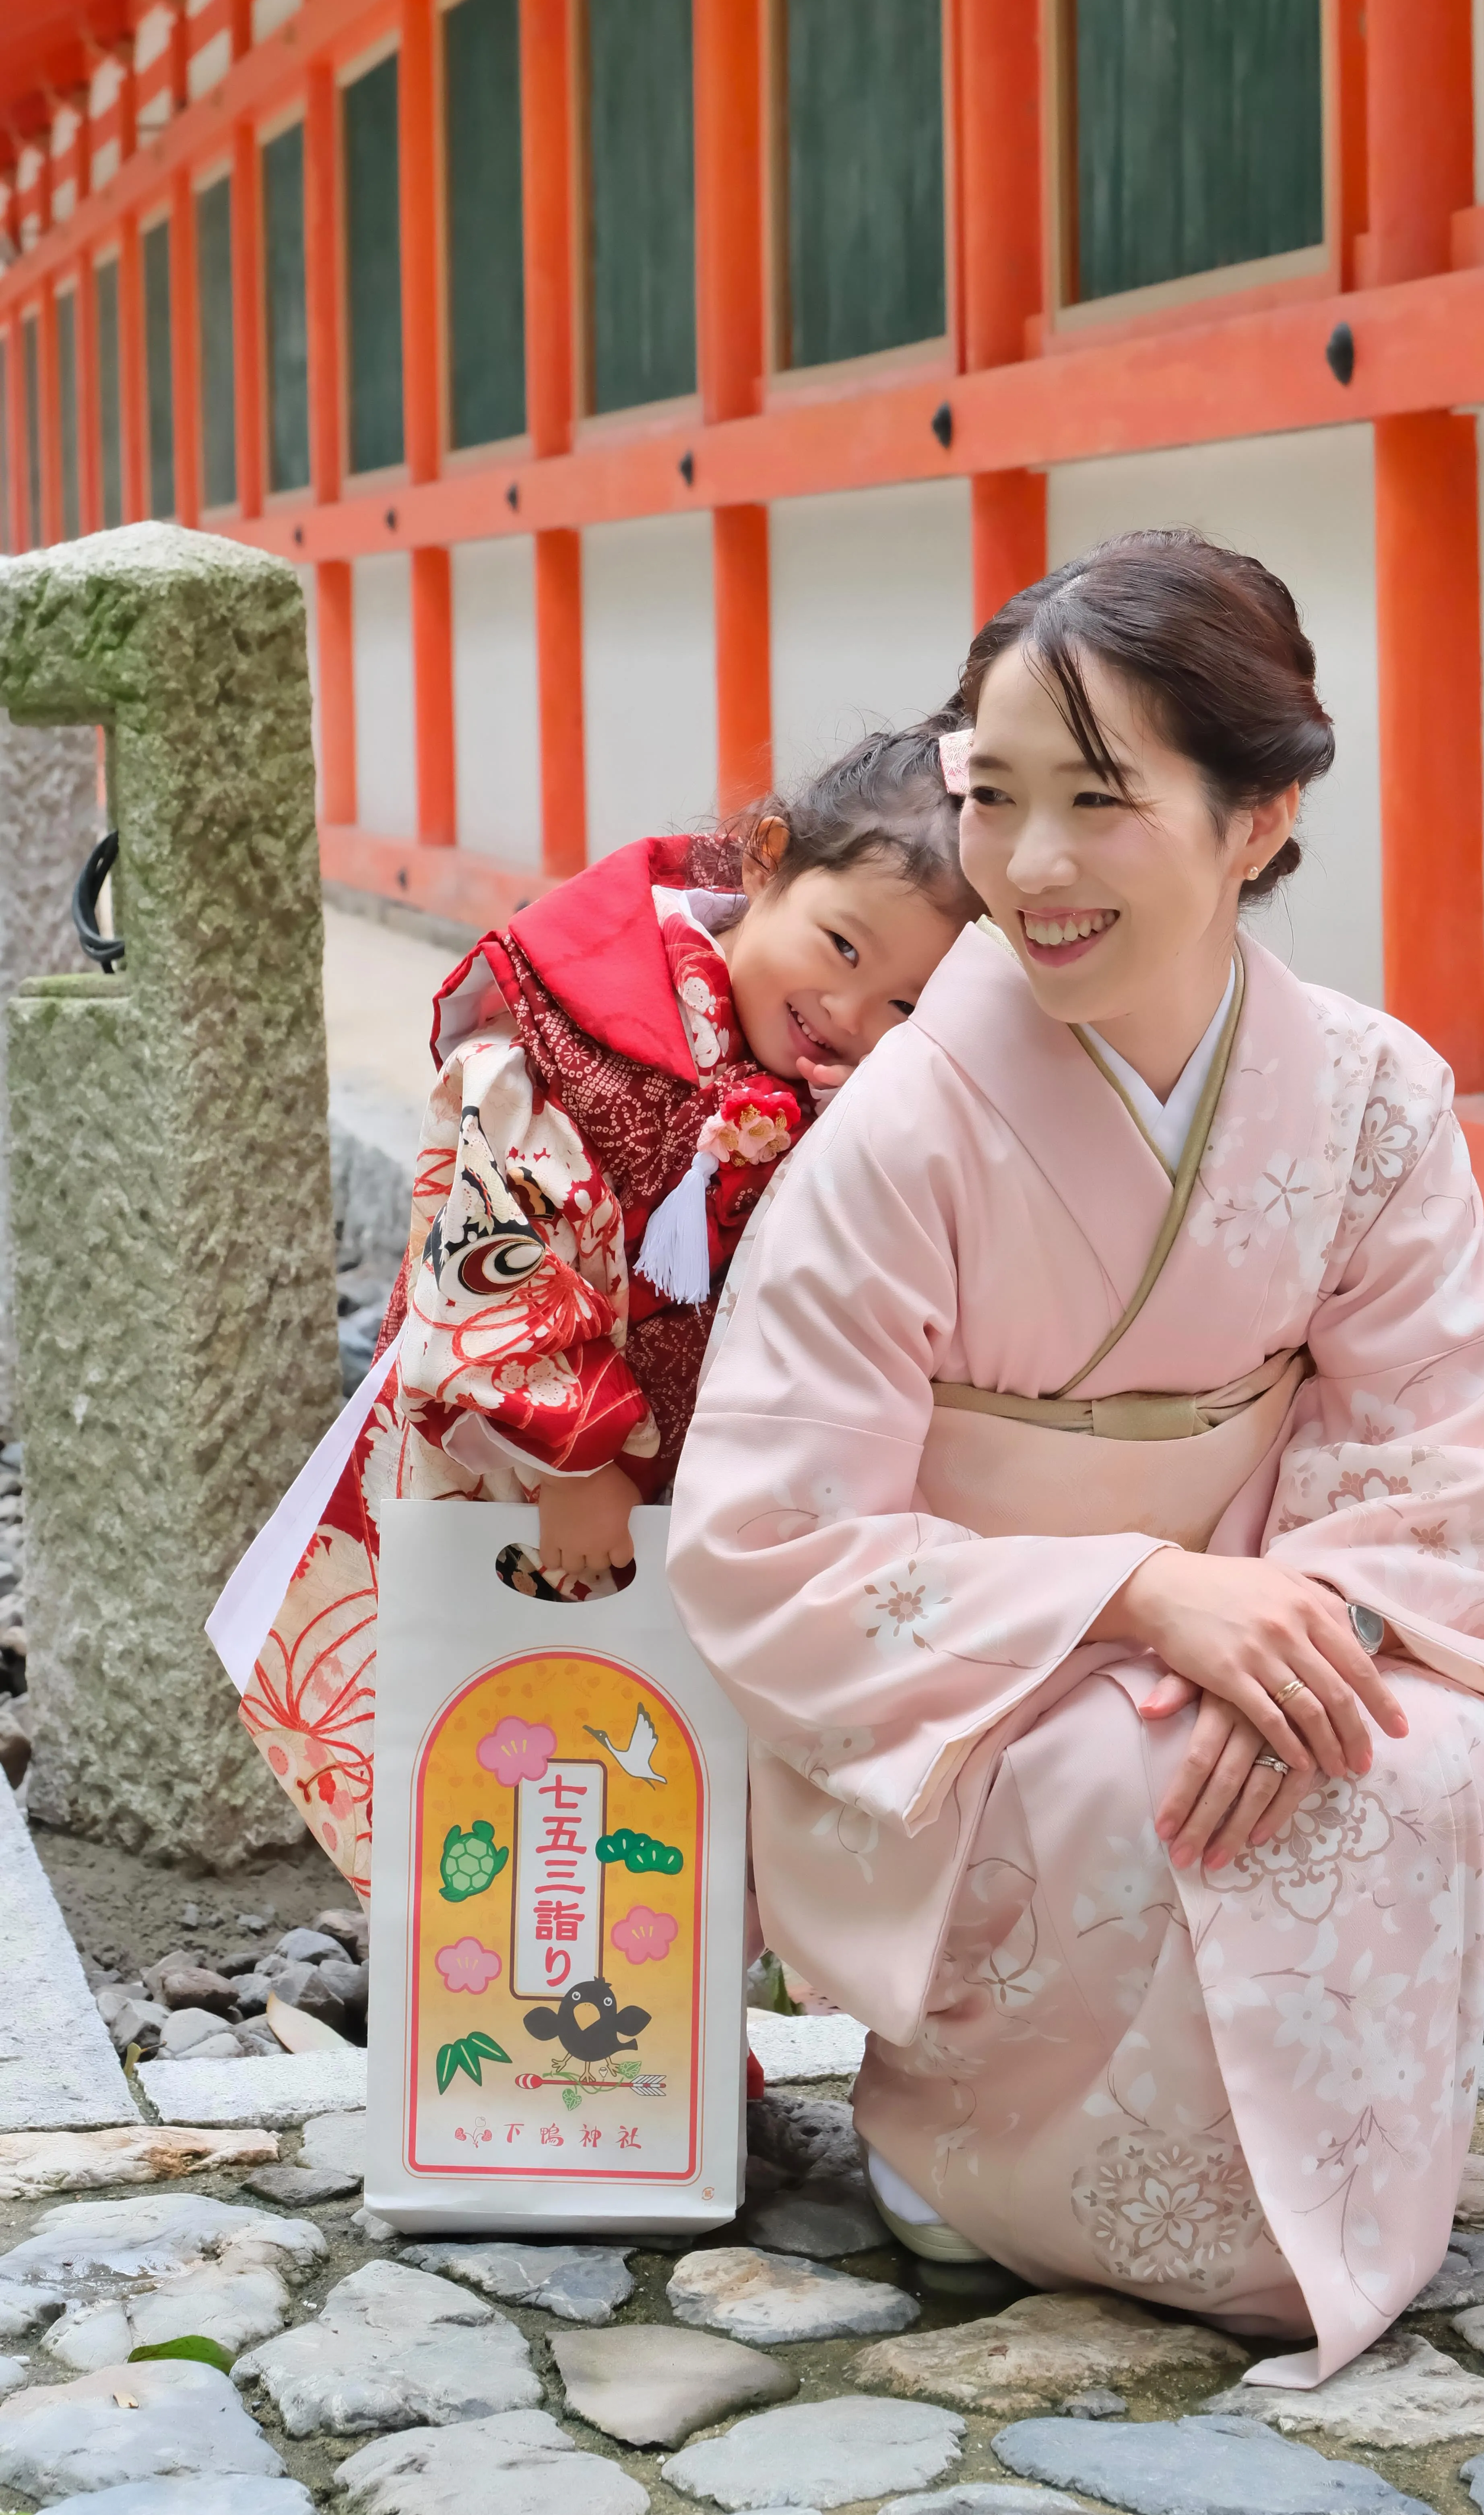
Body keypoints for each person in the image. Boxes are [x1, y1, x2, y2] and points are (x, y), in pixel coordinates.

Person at [668, 531, 1484, 2383]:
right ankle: (973, 2161)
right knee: (1149, 1796)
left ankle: (1291, 2189)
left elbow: (1455, 1442)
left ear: (1259, 817)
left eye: (1097, 802)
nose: (1026, 867)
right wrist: (1143, 1595)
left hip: (1266, 1630)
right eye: (992, 798)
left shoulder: (1370, 1097)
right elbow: (770, 1536)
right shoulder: (906, 1131)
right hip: (982, 1694)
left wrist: (1316, 1626)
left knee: (1431, 1762)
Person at [237, 723, 979, 1896]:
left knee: (680, 1770)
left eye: (902, 1002)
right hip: (538, 1472)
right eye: (840, 945)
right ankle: (476, 1980)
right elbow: (495, 1237)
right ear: (767, 860)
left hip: (725, 1488)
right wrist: (574, 1452)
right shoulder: (569, 1026)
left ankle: (685, 1993)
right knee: (505, 1731)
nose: (845, 1007)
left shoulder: (864, 1095)